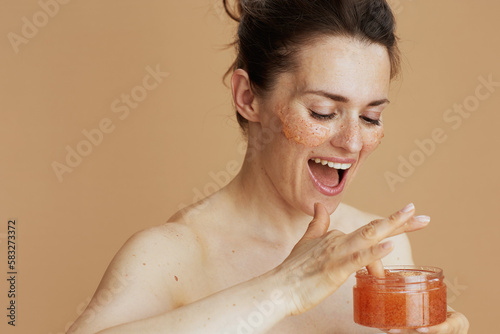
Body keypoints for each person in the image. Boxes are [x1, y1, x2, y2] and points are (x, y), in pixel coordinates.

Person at [67, 0, 469, 333]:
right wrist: (287, 287)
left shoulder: (385, 251)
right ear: (248, 97)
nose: (351, 142)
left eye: (370, 118)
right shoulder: (172, 256)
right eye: (323, 111)